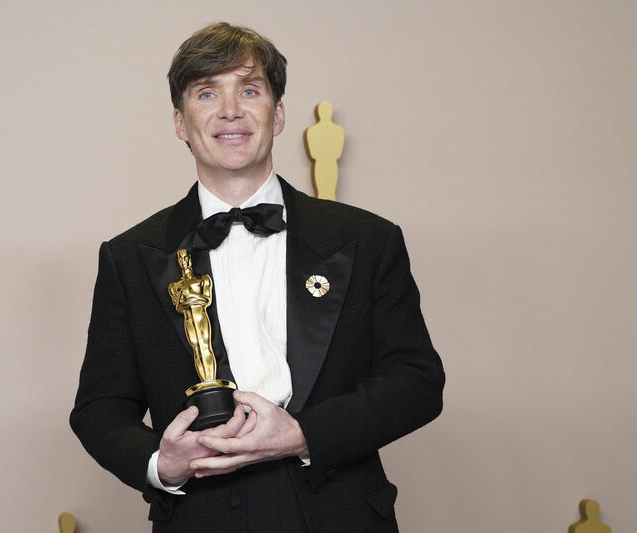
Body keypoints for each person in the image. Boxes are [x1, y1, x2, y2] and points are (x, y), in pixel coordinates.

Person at [70, 22, 444, 532]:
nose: (230, 110)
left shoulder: (369, 239)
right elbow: (100, 408)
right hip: (200, 513)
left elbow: (417, 381)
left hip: (337, 510)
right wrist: (161, 464)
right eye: (207, 93)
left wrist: (304, 434)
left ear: (278, 113)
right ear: (180, 122)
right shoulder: (129, 256)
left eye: (249, 90)